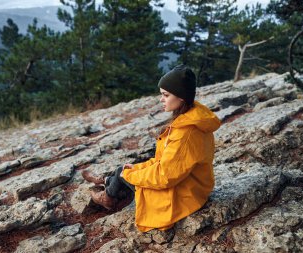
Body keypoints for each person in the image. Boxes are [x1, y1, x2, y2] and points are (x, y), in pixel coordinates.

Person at [82, 64, 221, 233]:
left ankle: (108, 197)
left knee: (123, 172)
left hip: (185, 194)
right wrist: (137, 169)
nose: (161, 99)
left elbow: (164, 176)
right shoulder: (192, 117)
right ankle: (107, 182)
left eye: (165, 95)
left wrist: (130, 174)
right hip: (191, 184)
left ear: (181, 97)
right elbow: (167, 161)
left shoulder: (187, 133)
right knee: (128, 169)